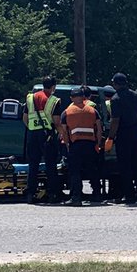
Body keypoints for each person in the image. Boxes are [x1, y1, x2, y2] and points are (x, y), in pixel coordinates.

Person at [108, 72, 137, 204]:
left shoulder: (116, 99)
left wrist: (110, 137)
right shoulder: (136, 96)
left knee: (125, 166)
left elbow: (115, 120)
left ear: (115, 84)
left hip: (123, 135)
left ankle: (129, 194)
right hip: (136, 133)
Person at [22, 76, 63, 204]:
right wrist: (62, 134)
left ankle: (30, 194)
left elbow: (25, 117)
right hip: (47, 135)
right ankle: (52, 194)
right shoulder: (53, 100)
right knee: (51, 165)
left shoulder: (30, 98)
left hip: (32, 133)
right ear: (53, 87)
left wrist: (32, 128)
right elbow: (56, 121)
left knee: (33, 164)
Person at [62, 86, 102, 206]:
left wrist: (67, 144)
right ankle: (97, 195)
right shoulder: (92, 111)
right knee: (92, 170)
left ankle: (76, 198)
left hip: (75, 145)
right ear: (83, 97)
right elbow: (99, 129)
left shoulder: (67, 112)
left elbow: (64, 132)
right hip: (90, 144)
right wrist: (98, 144)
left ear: (71, 98)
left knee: (75, 172)